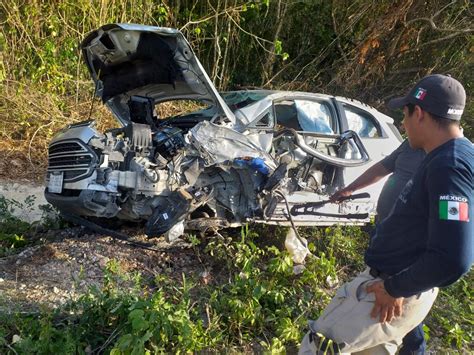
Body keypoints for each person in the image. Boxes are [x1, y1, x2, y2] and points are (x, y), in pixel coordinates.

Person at [299, 74, 473, 354]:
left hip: (391, 291)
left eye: (404, 115)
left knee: (319, 346)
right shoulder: (446, 155)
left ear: (418, 113)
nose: (402, 124)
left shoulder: (448, 166)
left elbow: (455, 258)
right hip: (394, 288)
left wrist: (395, 288)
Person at [331, 139, 427, 354]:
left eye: (406, 113)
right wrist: (350, 189)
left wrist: (400, 285)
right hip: (385, 232)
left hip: (410, 246)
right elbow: (383, 167)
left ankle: (412, 348)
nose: (403, 122)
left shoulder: (449, 158)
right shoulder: (411, 143)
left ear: (422, 115)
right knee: (383, 293)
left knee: (397, 298)